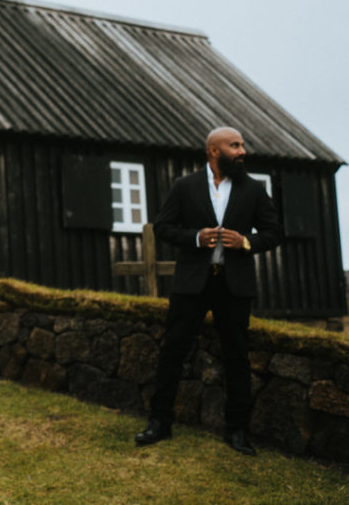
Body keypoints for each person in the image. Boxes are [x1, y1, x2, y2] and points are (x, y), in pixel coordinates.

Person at [134, 127, 281, 456]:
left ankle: (238, 431)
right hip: (192, 283)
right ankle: (159, 423)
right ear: (214, 151)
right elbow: (163, 227)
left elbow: (273, 232)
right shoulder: (184, 187)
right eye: (235, 145)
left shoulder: (254, 189)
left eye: (242, 145)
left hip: (234, 285)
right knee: (173, 352)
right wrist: (195, 238)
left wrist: (245, 242)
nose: (243, 151)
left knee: (237, 357)